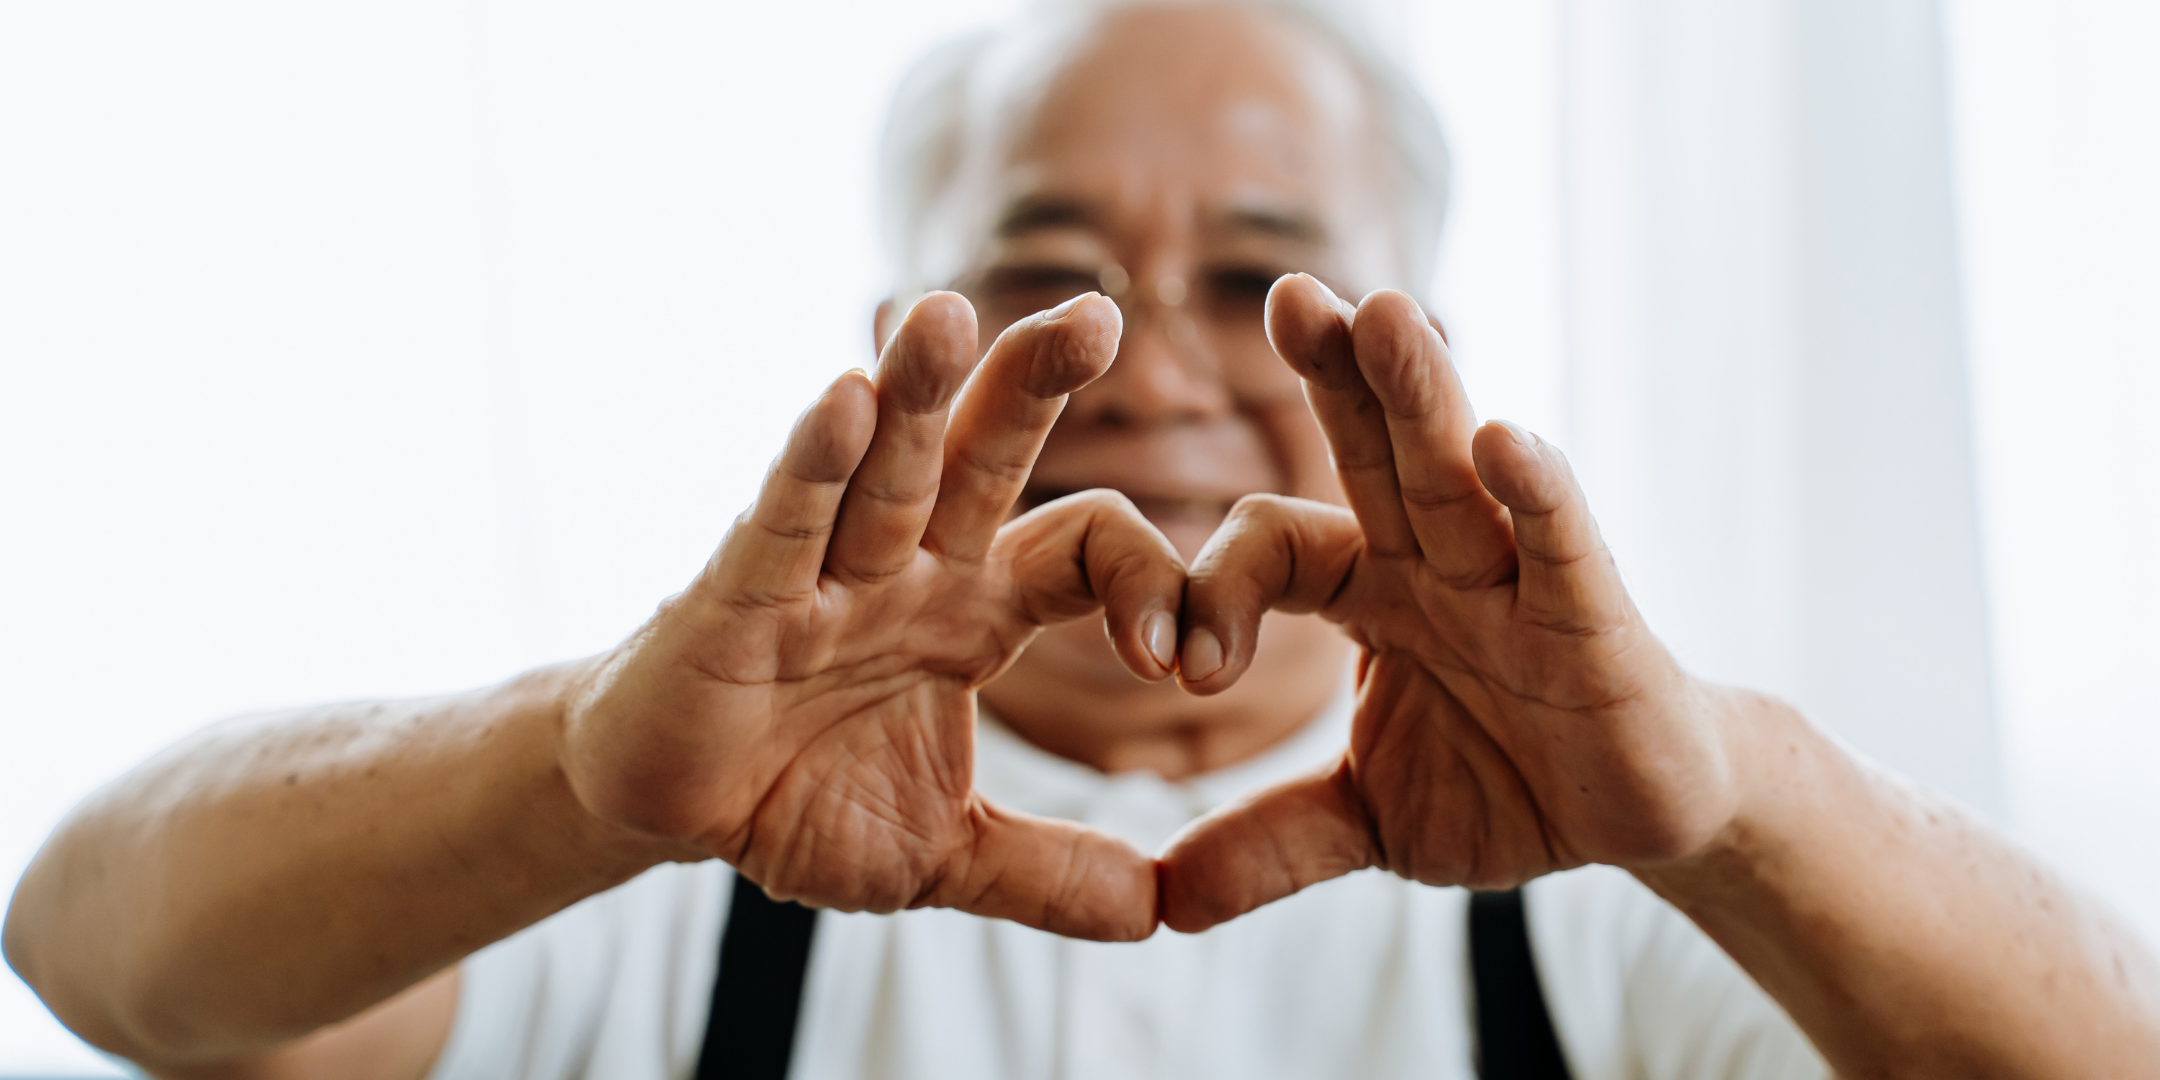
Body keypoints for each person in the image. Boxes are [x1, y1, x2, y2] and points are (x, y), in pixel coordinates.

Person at [7, 2, 2159, 1078]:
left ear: (1424, 350)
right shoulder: (674, 873)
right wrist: (582, 766)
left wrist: (1736, 793)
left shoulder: (1625, 901)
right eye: (1050, 269)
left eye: (1262, 275)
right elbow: (100, 950)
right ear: (900, 346)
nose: (1148, 358)